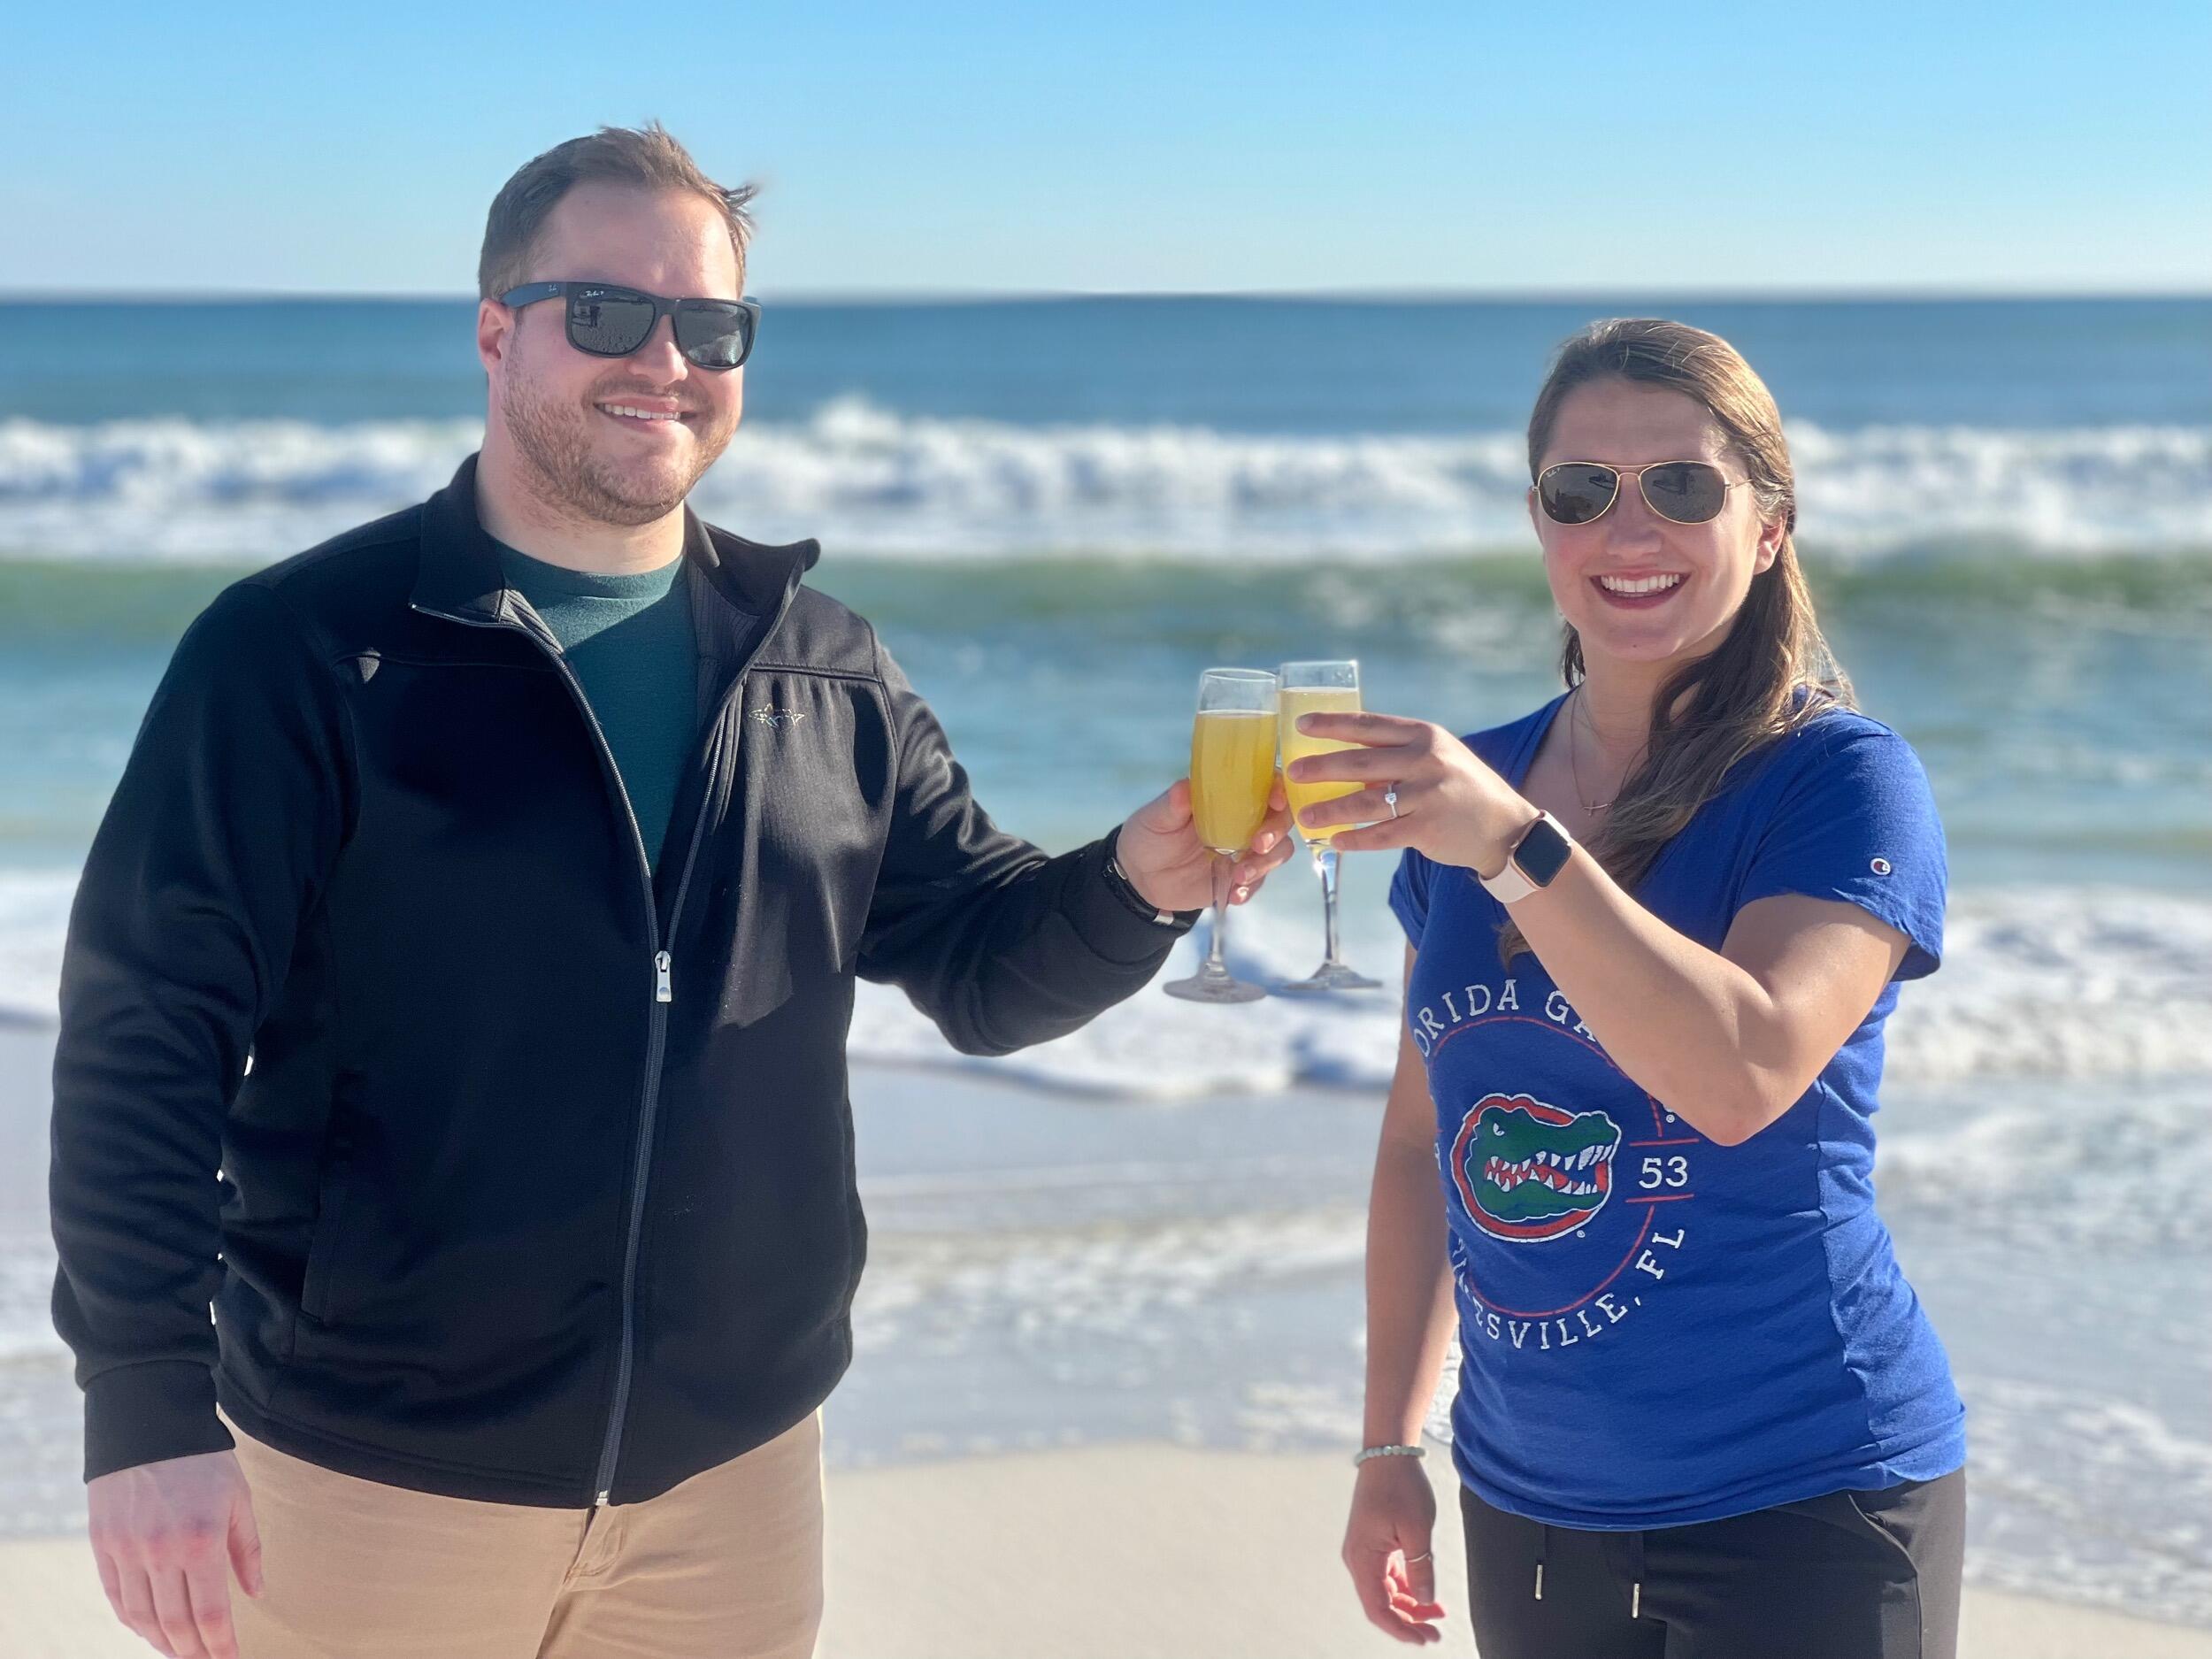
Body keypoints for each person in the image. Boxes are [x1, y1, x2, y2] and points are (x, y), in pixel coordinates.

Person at [50, 122, 1293, 1659]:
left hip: (733, 1490)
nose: (665, 359)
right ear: (497, 330)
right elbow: (144, 1039)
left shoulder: (821, 665)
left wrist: (1145, 880)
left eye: (710, 326)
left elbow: (983, 968)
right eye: (608, 313)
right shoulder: (303, 650)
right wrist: (144, 1405)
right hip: (372, 1481)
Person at [1297, 319, 1965, 1659]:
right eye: (1581, 490)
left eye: (1682, 484)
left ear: (1770, 526)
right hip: (1531, 1501)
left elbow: (1744, 1072)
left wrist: (1516, 848)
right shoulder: (1477, 783)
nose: (1628, 526)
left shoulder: (1838, 779)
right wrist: (1387, 1444)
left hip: (1809, 1491)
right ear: (1539, 523)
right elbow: (1426, 1142)